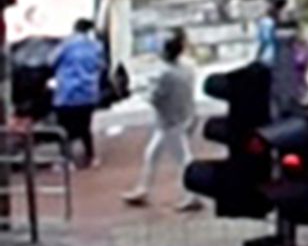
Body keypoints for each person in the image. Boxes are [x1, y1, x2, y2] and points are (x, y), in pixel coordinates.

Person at [123, 28, 200, 209]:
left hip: (170, 123)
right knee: (151, 153)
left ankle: (193, 195)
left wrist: (137, 92)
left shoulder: (167, 74)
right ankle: (143, 189)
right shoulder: (187, 67)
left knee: (184, 160)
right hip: (184, 116)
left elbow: (156, 98)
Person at [46, 19, 106, 167]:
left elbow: (51, 61)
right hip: (88, 93)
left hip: (67, 93)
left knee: (65, 128)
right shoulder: (96, 46)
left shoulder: (67, 45)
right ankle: (91, 157)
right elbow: (101, 65)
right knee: (85, 127)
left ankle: (67, 160)